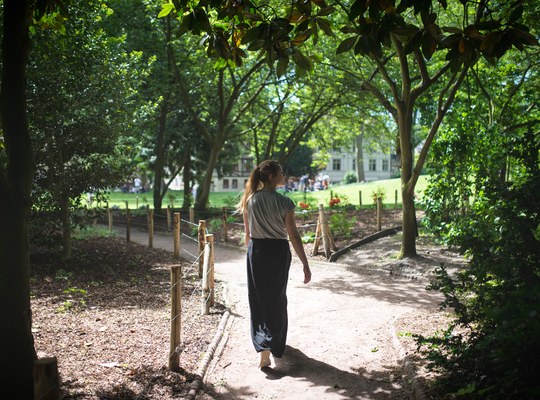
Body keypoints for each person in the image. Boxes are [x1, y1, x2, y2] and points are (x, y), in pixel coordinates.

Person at [236, 160, 312, 369]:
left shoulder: (249, 201)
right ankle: (275, 345)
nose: (283, 175)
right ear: (272, 176)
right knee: (277, 298)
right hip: (278, 252)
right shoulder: (285, 203)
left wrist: (252, 254)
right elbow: (293, 235)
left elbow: (247, 235)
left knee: (258, 299)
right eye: (281, 173)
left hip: (257, 251)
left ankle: (263, 349)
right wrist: (305, 263)